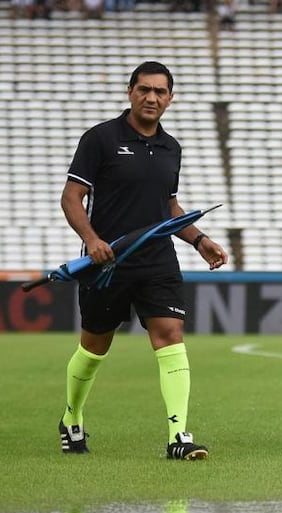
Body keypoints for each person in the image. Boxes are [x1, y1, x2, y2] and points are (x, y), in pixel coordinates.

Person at [57, 61, 229, 460]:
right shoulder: (99, 139)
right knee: (95, 346)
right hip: (108, 264)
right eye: (145, 90)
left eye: (161, 92)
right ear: (130, 91)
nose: (152, 97)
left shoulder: (172, 148)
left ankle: (179, 437)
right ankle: (72, 417)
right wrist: (92, 239)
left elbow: (168, 207)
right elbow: (71, 197)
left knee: (170, 334)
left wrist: (198, 239)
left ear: (170, 98)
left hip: (158, 260)